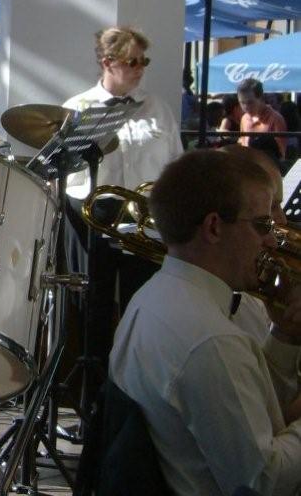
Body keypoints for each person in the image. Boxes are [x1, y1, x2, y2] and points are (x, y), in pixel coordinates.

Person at [109, 149, 301, 495]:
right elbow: (263, 483)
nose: (272, 240)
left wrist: (284, 335)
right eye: (261, 225)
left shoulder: (153, 297)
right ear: (213, 227)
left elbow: (250, 402)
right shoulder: (212, 341)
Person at [62, 26, 182, 410]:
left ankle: (137, 393)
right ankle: (91, 398)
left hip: (144, 217)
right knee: (92, 302)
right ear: (107, 62)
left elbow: (176, 163)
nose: (140, 69)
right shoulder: (78, 107)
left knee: (141, 302)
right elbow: (65, 172)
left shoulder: (157, 107)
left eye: (144, 61)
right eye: (132, 61)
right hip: (93, 214)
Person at [238, 77, 287, 163]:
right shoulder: (244, 119)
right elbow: (243, 145)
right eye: (242, 102)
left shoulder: (276, 119)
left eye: (250, 102)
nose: (246, 107)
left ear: (261, 98)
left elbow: (281, 154)